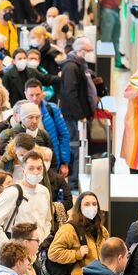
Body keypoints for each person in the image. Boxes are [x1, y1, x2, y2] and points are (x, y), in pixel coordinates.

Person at [0, 151, 53, 248]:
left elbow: (47, 220)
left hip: (36, 250)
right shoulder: (13, 192)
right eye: (31, 168)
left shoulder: (44, 191)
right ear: (23, 170)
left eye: (39, 168)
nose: (36, 172)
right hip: (17, 251)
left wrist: (40, 240)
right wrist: (8, 248)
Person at [49, 192, 110, 275]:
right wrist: (77, 254)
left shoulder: (101, 229)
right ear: (79, 207)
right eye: (87, 204)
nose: (91, 207)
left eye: (94, 204)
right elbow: (53, 253)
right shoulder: (69, 229)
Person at [60, 37, 95, 189]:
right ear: (80, 50)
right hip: (73, 116)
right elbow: (70, 93)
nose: (89, 54)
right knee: (75, 146)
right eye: (88, 51)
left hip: (79, 115)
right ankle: (74, 181)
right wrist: (80, 114)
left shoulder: (79, 65)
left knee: (79, 146)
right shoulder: (71, 67)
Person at [24, 79, 70, 176]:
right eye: (31, 95)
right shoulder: (19, 111)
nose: (34, 98)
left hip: (52, 161)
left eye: (37, 94)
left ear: (42, 94)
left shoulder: (52, 109)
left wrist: (64, 163)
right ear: (25, 94)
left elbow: (63, 135)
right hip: (28, 161)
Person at [98, 0, 123, 68]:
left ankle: (117, 62)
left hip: (115, 9)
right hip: (107, 10)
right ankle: (104, 64)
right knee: (106, 39)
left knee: (115, 39)